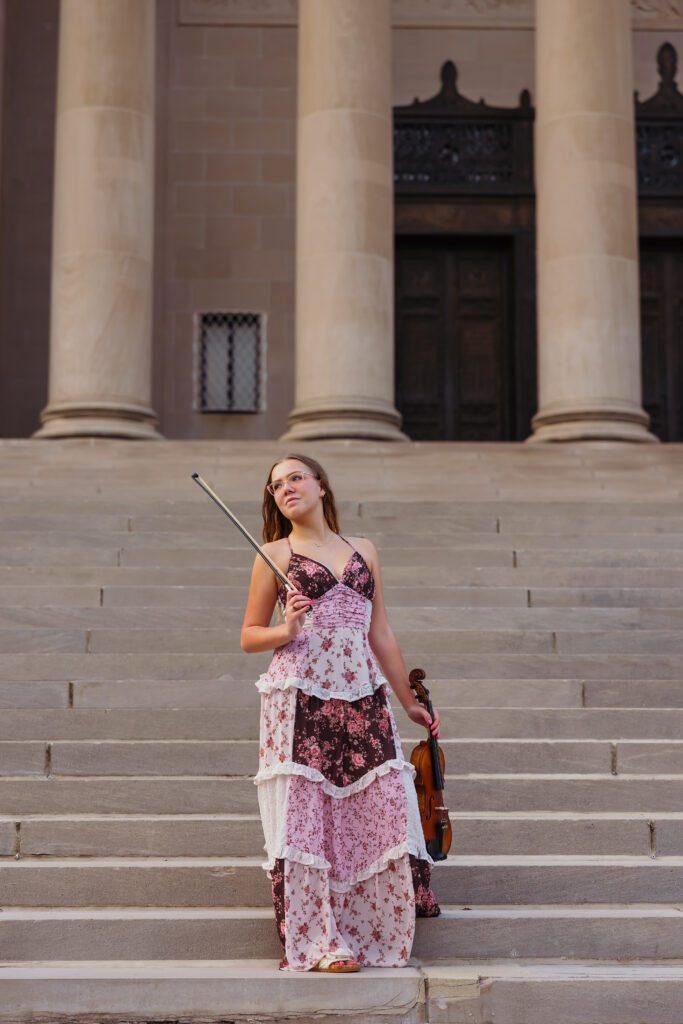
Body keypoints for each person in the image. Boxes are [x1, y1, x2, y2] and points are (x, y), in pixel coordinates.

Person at [241, 454, 441, 973]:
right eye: (276, 485)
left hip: (362, 687)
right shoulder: (273, 554)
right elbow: (248, 636)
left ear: (321, 486)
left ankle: (369, 930)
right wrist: (285, 631)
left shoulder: (363, 550)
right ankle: (322, 941)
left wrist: (408, 701)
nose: (285, 489)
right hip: (302, 692)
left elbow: (381, 631)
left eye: (295, 478)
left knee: (374, 805)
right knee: (310, 815)